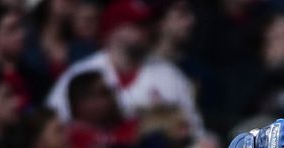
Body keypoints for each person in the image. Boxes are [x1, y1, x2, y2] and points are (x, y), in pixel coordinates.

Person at [46, 0, 203, 135]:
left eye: (146, 24)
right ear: (114, 28)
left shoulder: (169, 75)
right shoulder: (79, 73)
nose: (145, 31)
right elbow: (54, 123)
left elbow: (194, 127)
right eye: (136, 25)